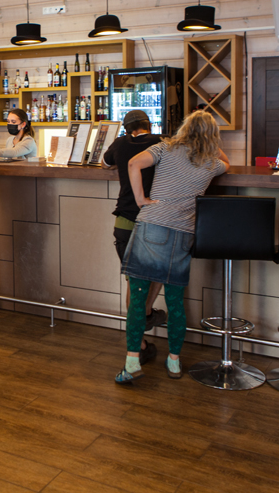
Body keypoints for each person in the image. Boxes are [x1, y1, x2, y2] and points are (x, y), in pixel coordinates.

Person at [115, 110, 230, 384]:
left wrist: (141, 199)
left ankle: (132, 364)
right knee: (176, 302)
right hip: (182, 233)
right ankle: (175, 363)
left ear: (184, 129)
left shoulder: (164, 148)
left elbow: (133, 163)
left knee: (138, 300)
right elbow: (228, 162)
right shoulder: (212, 163)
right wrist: (210, 143)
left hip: (151, 225)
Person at [102, 110, 166, 364]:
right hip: (154, 220)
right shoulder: (162, 142)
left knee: (134, 283)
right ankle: (147, 312)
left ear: (127, 129)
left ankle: (138, 344)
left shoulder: (119, 144)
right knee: (160, 271)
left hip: (125, 221)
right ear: (149, 125)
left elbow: (105, 163)